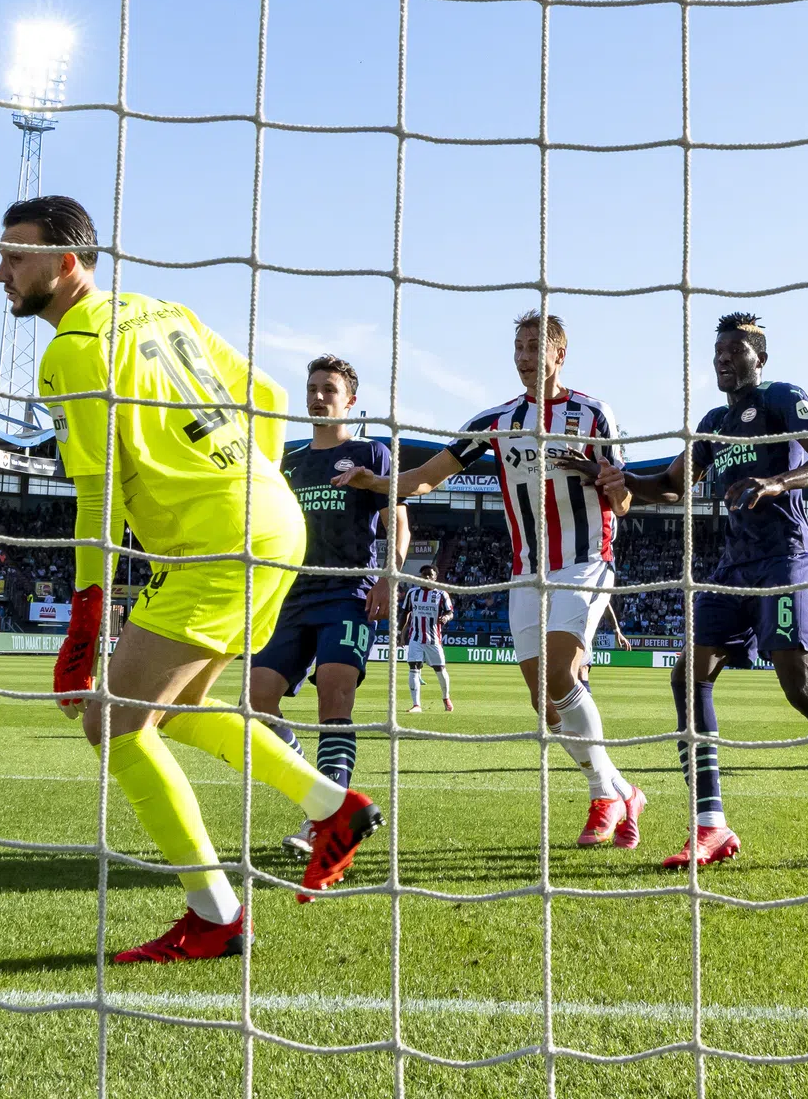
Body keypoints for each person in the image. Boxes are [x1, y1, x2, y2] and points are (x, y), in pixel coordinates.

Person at [4, 195, 382, 966]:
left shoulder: (72, 352)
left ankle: (217, 915)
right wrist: (250, 482)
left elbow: (97, 494)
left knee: (111, 722)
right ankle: (331, 806)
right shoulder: (160, 309)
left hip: (218, 538)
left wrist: (85, 624)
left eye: (16, 256)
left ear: (66, 263)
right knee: (176, 712)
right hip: (272, 521)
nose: (0, 272)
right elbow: (270, 398)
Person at [334, 310, 646, 850]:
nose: (525, 357)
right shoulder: (494, 422)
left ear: (558, 354)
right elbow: (429, 478)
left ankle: (603, 795)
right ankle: (624, 788)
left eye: (534, 347)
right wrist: (374, 481)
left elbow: (623, 499)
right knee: (544, 707)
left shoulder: (593, 413)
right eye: (519, 348)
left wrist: (607, 478)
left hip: (585, 559)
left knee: (559, 672)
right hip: (526, 571)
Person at [616, 312, 808, 868]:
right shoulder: (711, 424)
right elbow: (667, 488)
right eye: (718, 352)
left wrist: (777, 481)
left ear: (759, 356)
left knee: (800, 689)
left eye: (734, 350)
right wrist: (613, 479)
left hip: (786, 557)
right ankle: (710, 825)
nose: (722, 359)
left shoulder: (782, 397)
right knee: (688, 674)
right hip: (732, 567)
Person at [247, 355, 407, 859]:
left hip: (348, 592)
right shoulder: (287, 461)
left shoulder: (371, 453)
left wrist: (387, 576)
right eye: (312, 387)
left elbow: (397, 518)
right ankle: (323, 797)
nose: (318, 396)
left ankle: (325, 821)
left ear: (350, 400)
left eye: (330, 389)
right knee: (254, 704)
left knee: (334, 693)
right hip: (290, 597)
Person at [400, 564, 454, 714]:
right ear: (420, 577)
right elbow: (405, 613)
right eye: (424, 575)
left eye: (430, 575)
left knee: (440, 670)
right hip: (415, 638)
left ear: (435, 577)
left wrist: (446, 617)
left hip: (433, 639)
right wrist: (400, 633)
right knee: (413, 668)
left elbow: (450, 612)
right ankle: (416, 704)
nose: (427, 577)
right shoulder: (412, 593)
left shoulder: (442, 594)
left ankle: (446, 697)